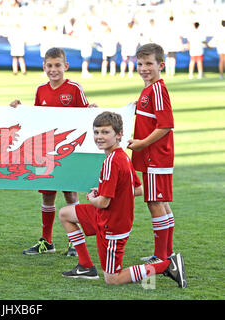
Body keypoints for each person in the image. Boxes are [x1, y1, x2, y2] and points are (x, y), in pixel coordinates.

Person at [58, 111, 187, 288]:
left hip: (112, 224)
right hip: (104, 216)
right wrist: (106, 191)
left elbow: (103, 203)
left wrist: (92, 198)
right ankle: (86, 266)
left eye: (105, 132)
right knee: (65, 214)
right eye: (96, 132)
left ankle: (167, 265)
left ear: (119, 135)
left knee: (113, 279)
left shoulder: (113, 161)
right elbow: (138, 188)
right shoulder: (122, 157)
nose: (99, 137)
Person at [10, 47, 97, 256]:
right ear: (44, 67)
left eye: (57, 65)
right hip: (47, 152)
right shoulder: (41, 90)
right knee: (47, 196)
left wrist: (91, 111)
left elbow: (84, 119)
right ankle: (46, 241)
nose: (53, 69)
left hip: (68, 153)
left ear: (65, 66)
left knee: (70, 194)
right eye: (49, 66)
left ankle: (74, 242)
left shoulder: (75, 88)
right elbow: (37, 119)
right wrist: (18, 109)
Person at [127, 43, 175, 264]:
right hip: (153, 155)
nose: (144, 68)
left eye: (149, 63)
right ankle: (168, 253)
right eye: (140, 63)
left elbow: (165, 125)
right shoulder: (149, 89)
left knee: (154, 202)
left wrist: (142, 143)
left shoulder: (157, 89)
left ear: (160, 65)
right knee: (161, 201)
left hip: (155, 155)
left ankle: (161, 256)